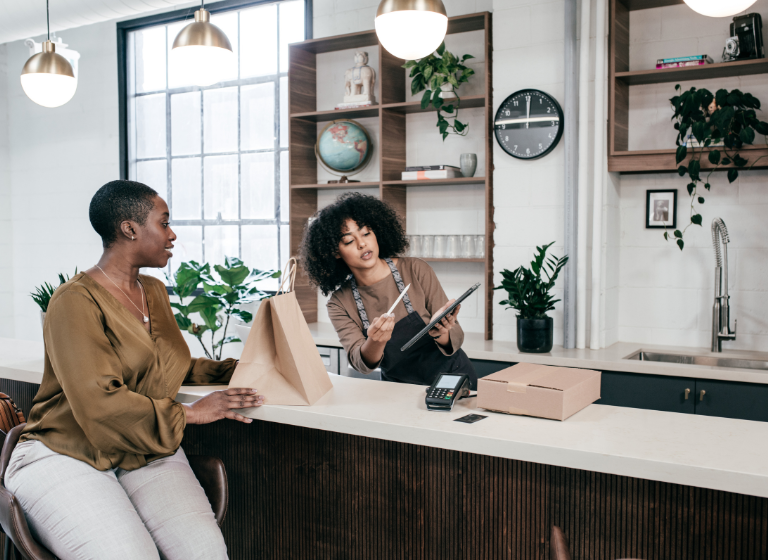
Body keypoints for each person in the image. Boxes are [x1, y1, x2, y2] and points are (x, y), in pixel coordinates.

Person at [5, 180, 262, 560]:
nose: (172, 235)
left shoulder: (153, 291)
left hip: (141, 448)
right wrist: (191, 412)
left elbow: (165, 365)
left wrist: (243, 370)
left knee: (205, 553)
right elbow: (98, 402)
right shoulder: (72, 301)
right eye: (164, 223)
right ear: (129, 228)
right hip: (63, 452)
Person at [299, 192, 477, 388]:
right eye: (349, 241)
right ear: (334, 252)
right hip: (397, 390)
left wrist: (441, 332)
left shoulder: (416, 270)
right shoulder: (339, 303)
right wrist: (375, 341)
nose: (362, 244)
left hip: (452, 382)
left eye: (366, 233)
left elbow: (456, 337)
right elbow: (361, 364)